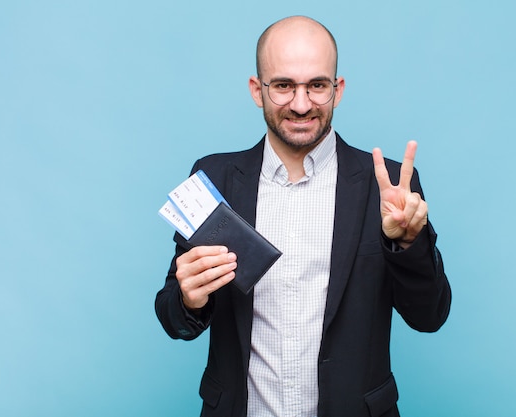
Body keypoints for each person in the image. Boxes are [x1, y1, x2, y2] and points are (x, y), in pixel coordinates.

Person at [155, 15, 451, 417]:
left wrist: (406, 244)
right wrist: (190, 298)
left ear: (338, 89)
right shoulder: (214, 178)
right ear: (257, 90)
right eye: (283, 86)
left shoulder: (389, 188)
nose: (300, 103)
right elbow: (175, 319)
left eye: (316, 85)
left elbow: (429, 316)